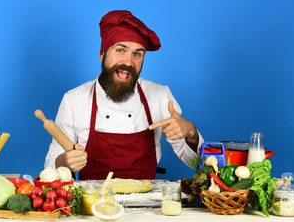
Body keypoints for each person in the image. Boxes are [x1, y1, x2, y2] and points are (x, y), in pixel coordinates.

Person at [44, 10, 204, 180]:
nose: (128, 62)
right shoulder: (74, 100)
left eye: (137, 54)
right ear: (102, 54)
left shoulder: (160, 96)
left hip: (148, 202)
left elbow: (196, 162)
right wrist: (64, 162)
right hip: (91, 203)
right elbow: (49, 168)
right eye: (121, 50)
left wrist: (191, 134)